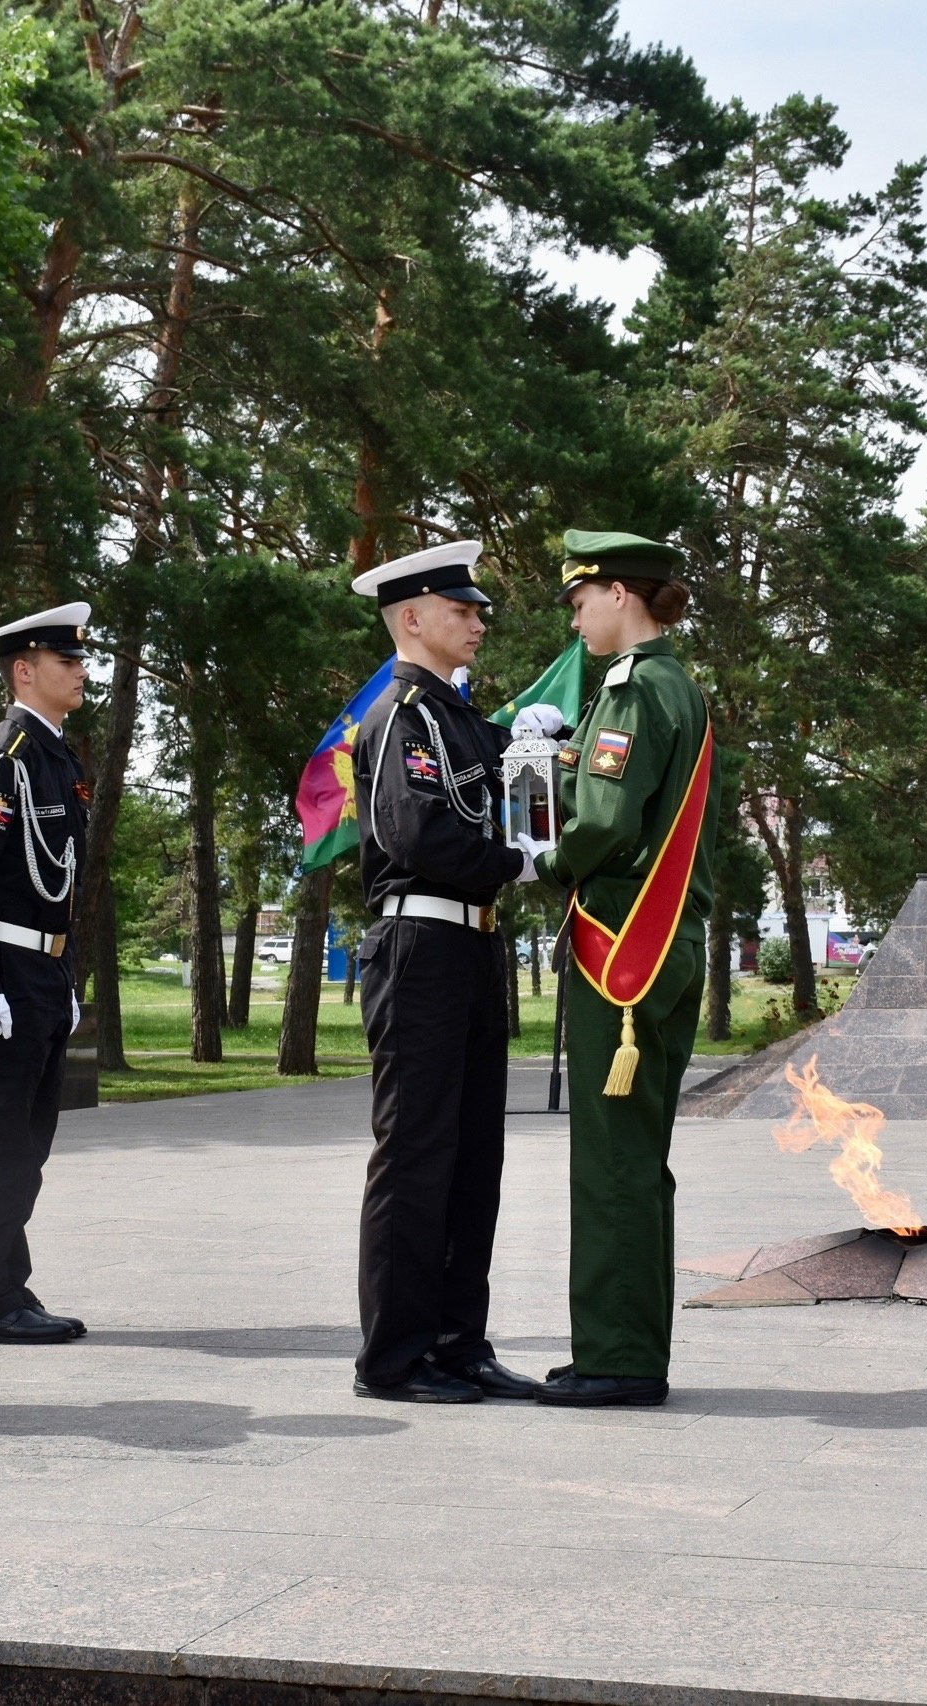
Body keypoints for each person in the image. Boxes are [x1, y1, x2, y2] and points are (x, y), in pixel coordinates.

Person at [348, 542, 546, 1403]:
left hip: (472, 946)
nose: (477, 622)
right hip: (419, 946)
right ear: (414, 618)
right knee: (417, 1155)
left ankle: (461, 1342)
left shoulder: (463, 720)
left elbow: (521, 798)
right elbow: (417, 835)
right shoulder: (398, 715)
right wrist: (516, 863)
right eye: (461, 610)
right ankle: (393, 1360)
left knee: (474, 1158)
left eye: (476, 610)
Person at [528, 529, 713, 1409]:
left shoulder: (637, 691)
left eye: (579, 599)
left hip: (626, 952)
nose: (575, 616)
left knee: (613, 1159)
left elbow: (603, 821)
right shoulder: (670, 685)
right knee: (633, 1155)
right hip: (660, 940)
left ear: (619, 595)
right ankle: (620, 1343)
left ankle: (621, 1358)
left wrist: (542, 862)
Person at [0, 605, 96, 1345]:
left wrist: (64, 979)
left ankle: (9, 1285)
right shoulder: (1, 755)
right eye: (64, 660)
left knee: (26, 1142)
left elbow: (63, 882)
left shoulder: (58, 758)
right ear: (24, 670)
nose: (80, 670)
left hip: (42, 966)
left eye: (80, 659)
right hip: (1, 965)